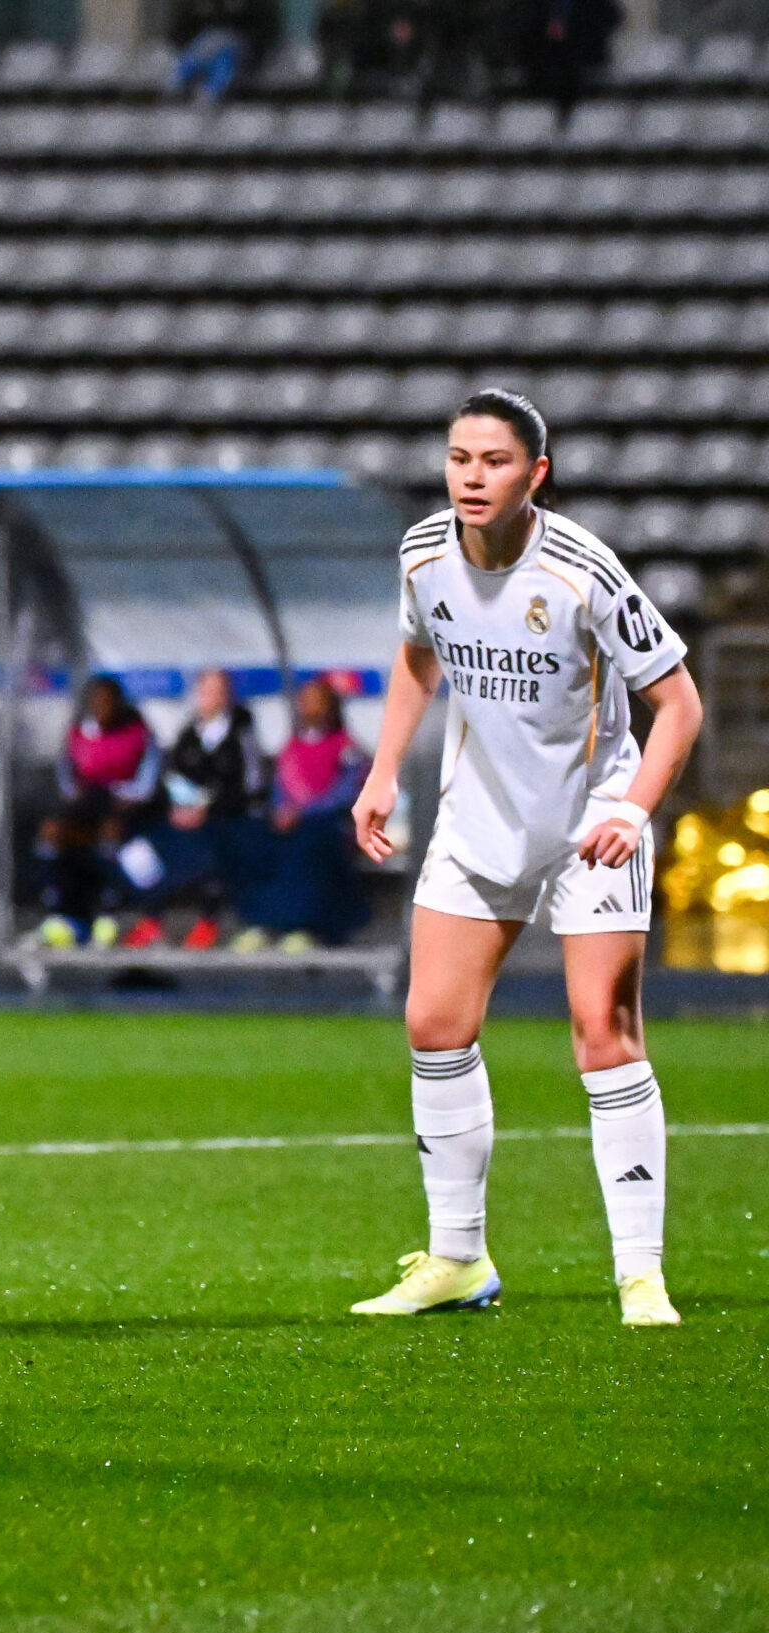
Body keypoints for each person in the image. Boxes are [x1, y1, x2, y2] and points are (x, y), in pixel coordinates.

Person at [348, 389, 703, 1327]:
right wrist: (384, 769)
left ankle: (640, 1274)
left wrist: (632, 807)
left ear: (535, 473)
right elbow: (420, 652)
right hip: (479, 820)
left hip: (591, 822)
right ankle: (459, 1258)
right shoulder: (423, 553)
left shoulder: (583, 568)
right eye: (460, 457)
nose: (473, 476)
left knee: (601, 1030)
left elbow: (681, 706)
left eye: (495, 461)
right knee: (434, 1022)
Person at [119, 667, 262, 949]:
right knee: (139, 849)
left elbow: (252, 785)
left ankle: (208, 921)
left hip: (225, 817)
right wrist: (178, 807)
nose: (213, 697)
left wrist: (208, 807)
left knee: (214, 851)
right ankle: (152, 919)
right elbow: (173, 777)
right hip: (184, 816)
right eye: (207, 691)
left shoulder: (241, 733)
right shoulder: (188, 733)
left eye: (219, 691)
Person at [229, 674, 369, 952]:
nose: (310, 709)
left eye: (317, 702)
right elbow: (281, 787)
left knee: (306, 850)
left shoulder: (346, 747)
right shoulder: (291, 748)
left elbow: (347, 794)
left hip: (328, 824)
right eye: (305, 702)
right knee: (252, 840)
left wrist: (303, 812)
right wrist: (281, 811)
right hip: (289, 821)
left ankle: (304, 926)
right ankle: (261, 923)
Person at [33, 673, 159, 947]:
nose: (102, 708)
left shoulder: (138, 732)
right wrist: (72, 794)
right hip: (87, 800)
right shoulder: (78, 732)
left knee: (110, 831)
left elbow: (147, 781)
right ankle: (56, 908)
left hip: (123, 802)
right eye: (96, 702)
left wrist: (128, 796)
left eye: (108, 702)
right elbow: (66, 774)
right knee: (52, 830)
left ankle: (108, 910)